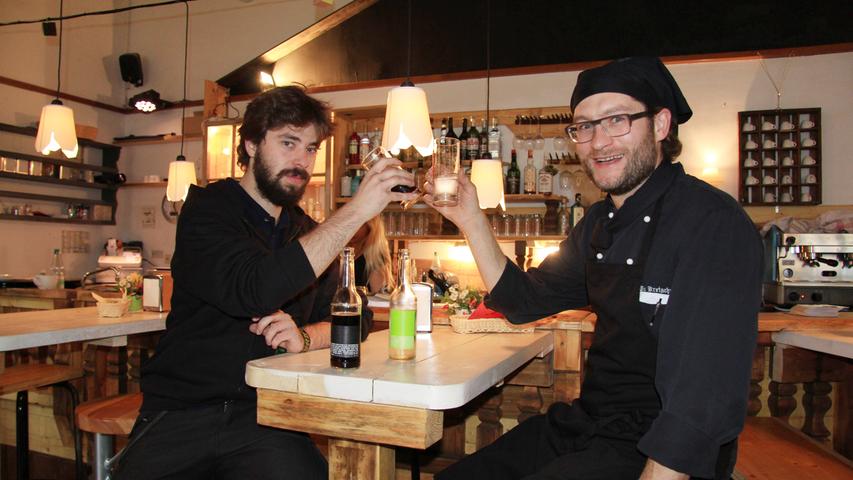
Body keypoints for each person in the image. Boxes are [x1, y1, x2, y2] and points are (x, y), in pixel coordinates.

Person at [427, 57, 762, 480]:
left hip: (664, 450)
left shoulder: (710, 222)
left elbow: (704, 398)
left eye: (616, 120)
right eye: (583, 126)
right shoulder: (598, 224)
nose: (598, 142)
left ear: (661, 125)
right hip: (590, 425)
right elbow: (523, 301)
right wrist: (471, 218)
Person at [113, 85, 417, 480]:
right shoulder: (207, 211)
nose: (301, 161)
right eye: (289, 143)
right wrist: (358, 210)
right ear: (252, 144)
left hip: (265, 417)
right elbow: (254, 290)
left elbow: (354, 321)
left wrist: (305, 336)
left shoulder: (305, 232)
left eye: (310, 149)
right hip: (181, 412)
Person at [349, 215, 395, 294]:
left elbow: (379, 298)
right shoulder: (347, 252)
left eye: (359, 225)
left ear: (370, 227)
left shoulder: (374, 257)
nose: (352, 229)